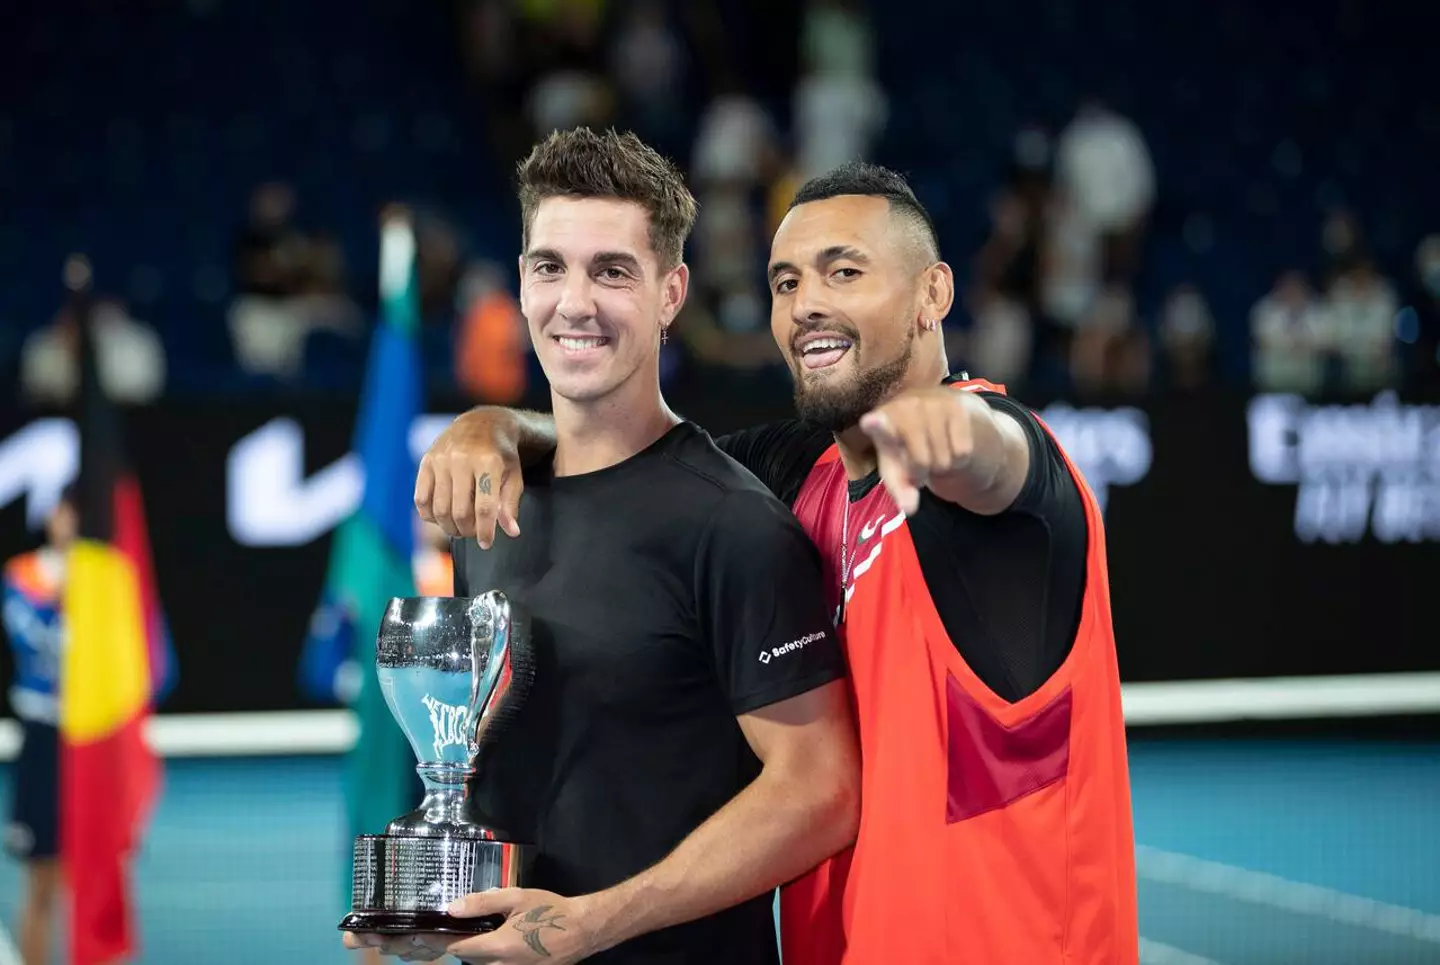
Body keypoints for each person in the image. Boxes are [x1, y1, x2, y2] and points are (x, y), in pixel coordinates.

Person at [414, 160, 1139, 964]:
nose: (808, 306)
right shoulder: (805, 472)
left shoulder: (1011, 489)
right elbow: (629, 462)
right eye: (786, 283)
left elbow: (998, 455)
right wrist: (494, 426)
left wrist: (953, 429)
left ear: (935, 294)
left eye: (845, 271)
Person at [349, 128, 860, 965]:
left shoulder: (732, 524)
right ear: (520, 283)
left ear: (671, 293)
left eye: (612, 271)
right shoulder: (495, 504)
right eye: (550, 266)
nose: (574, 301)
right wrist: (436, 911)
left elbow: (823, 789)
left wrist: (594, 922)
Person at [3, 488, 77, 965]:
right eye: (62, 511)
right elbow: (32, 638)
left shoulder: (107, 581)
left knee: (90, 883)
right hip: (41, 738)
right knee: (42, 880)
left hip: (88, 740)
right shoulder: (20, 576)